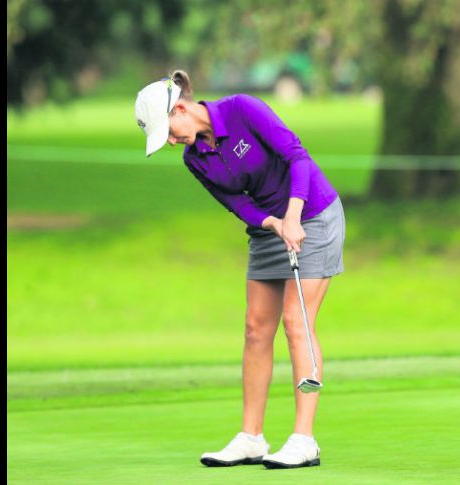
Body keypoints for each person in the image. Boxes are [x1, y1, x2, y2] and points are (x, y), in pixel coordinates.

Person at [134, 71, 345, 469]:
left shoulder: (242, 110)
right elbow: (238, 204)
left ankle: (305, 439)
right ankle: (251, 437)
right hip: (270, 226)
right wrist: (273, 224)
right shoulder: (194, 159)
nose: (172, 142)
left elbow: (297, 156)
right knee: (255, 327)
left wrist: (293, 216)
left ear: (179, 108)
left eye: (170, 132)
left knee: (296, 321)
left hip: (313, 212)